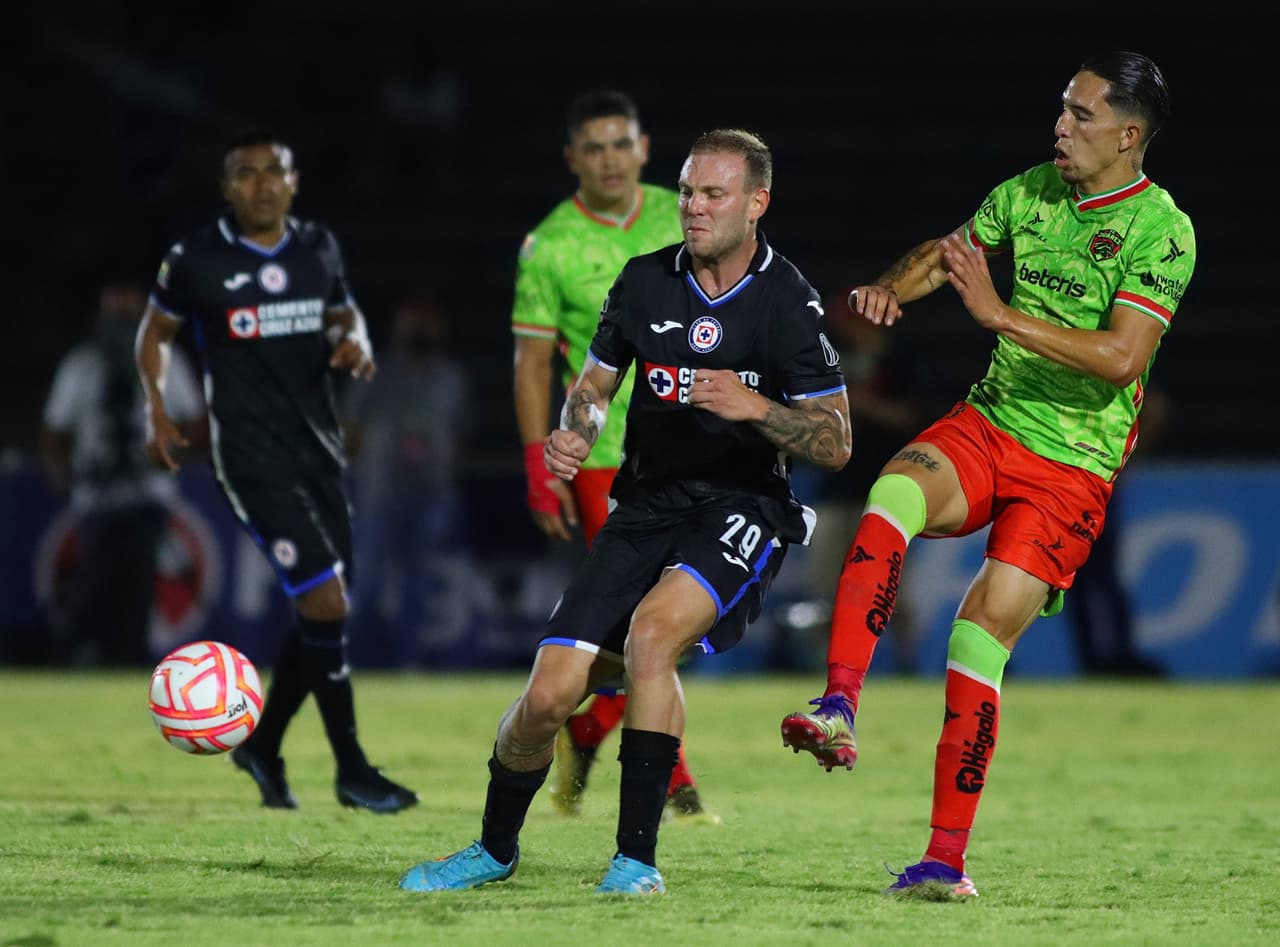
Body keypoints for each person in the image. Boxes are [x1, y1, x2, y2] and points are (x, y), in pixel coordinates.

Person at [780, 50, 1194, 898]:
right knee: (891, 491)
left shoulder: (1164, 230)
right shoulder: (1032, 189)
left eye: (1081, 116)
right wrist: (891, 290)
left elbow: (1122, 358)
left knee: (977, 636)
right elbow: (950, 253)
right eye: (1061, 109)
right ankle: (838, 706)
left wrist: (1001, 314)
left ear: (1129, 134)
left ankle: (944, 861)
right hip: (990, 420)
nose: (1060, 126)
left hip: (1071, 466)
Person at [400, 128, 851, 895]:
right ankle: (493, 849)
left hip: (743, 508)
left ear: (756, 202)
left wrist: (757, 408)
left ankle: (635, 859)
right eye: (686, 191)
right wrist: (572, 437)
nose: (694, 207)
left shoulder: (787, 300)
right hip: (645, 505)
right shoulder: (643, 282)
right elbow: (593, 388)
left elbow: (836, 441)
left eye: (713, 194)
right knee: (547, 696)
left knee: (650, 638)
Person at [136, 130, 418, 814]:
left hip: (319, 449)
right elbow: (155, 334)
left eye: (275, 172)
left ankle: (261, 747)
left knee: (324, 608)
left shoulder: (318, 246)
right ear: (227, 186)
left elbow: (345, 311)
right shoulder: (195, 258)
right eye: (246, 173)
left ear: (294, 182)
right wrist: (158, 410)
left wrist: (356, 342)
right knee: (327, 602)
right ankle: (352, 769)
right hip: (250, 455)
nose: (262, 184)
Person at [511, 89, 709, 819]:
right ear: (572, 159)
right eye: (592, 148)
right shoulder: (549, 245)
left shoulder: (684, 212)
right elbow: (533, 366)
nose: (609, 159)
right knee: (645, 622)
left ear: (644, 149)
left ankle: (587, 725)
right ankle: (675, 785)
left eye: (619, 144)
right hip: (606, 459)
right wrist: (541, 464)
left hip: (695, 452)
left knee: (679, 620)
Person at [40, 279, 205, 666]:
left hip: (149, 494)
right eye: (116, 311)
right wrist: (62, 474)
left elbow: (197, 425)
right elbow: (55, 430)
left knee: (136, 590)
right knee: (92, 585)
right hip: (96, 497)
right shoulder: (83, 363)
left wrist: (166, 450)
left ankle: (126, 663)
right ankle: (71, 659)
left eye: (129, 312)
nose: (122, 321)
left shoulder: (165, 360)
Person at [341, 294, 472, 668]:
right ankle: (341, 661)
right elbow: (348, 429)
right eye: (412, 321)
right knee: (365, 582)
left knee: (418, 584)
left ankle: (409, 663)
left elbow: (461, 432)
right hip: (378, 493)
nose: (420, 330)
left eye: (426, 322)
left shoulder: (451, 378)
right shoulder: (374, 371)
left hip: (431, 493)